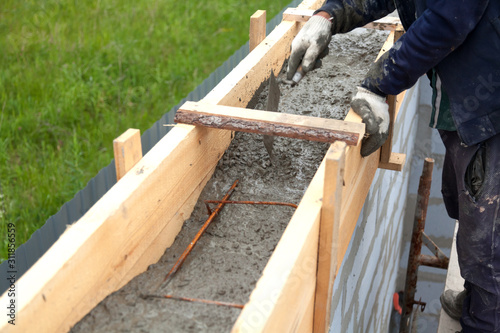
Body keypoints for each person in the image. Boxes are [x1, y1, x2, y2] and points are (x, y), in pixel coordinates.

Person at [287, 1, 500, 332]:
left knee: (488, 244)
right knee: (470, 213)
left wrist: (379, 83)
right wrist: (328, 16)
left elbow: (448, 19)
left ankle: (487, 316)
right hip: (469, 95)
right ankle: (478, 298)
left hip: (492, 103)